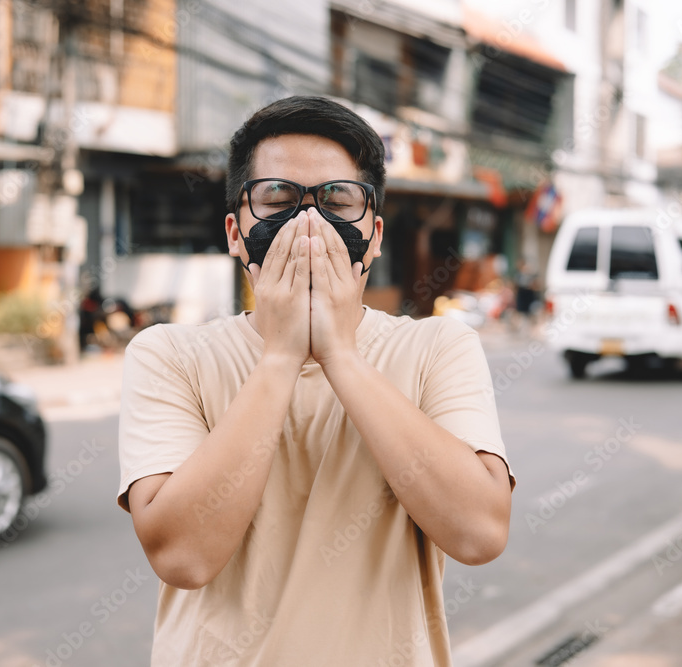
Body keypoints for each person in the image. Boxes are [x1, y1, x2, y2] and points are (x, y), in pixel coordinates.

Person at [116, 96, 515, 666]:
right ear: (235, 231)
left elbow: (479, 533)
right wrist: (280, 357)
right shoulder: (169, 354)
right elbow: (183, 557)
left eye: (337, 200)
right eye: (277, 197)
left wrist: (341, 357)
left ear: (374, 235)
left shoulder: (437, 347)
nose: (308, 224)